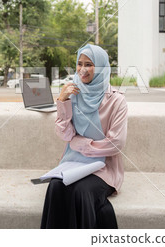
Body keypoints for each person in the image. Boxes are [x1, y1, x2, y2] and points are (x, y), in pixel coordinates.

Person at [40, 44, 128, 229]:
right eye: (79, 64)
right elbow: (65, 134)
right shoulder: (74, 94)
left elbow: (116, 143)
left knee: (81, 191)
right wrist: (62, 102)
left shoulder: (116, 101)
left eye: (89, 64)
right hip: (73, 164)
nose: (82, 69)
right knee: (56, 187)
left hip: (104, 168)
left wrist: (79, 144)